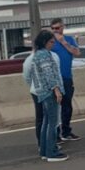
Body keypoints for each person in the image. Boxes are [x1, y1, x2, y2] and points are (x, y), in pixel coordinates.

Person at [27, 30, 68, 162]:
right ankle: (52, 152)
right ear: (45, 42)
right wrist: (56, 89)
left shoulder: (36, 55)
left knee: (46, 121)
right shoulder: (45, 55)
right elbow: (49, 73)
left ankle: (45, 150)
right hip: (50, 92)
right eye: (51, 42)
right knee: (53, 122)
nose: (53, 44)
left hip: (42, 92)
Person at [22, 45, 62, 153]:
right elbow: (28, 75)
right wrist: (55, 89)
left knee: (47, 119)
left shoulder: (51, 55)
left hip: (41, 90)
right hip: (45, 91)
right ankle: (48, 147)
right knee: (48, 119)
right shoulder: (38, 57)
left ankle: (46, 145)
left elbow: (57, 73)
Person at [49, 18, 81, 142]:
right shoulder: (50, 42)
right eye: (53, 29)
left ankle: (66, 131)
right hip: (54, 78)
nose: (55, 31)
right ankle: (56, 134)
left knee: (67, 106)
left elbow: (77, 52)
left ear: (62, 27)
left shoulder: (69, 39)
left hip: (67, 77)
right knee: (55, 107)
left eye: (57, 28)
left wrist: (63, 43)